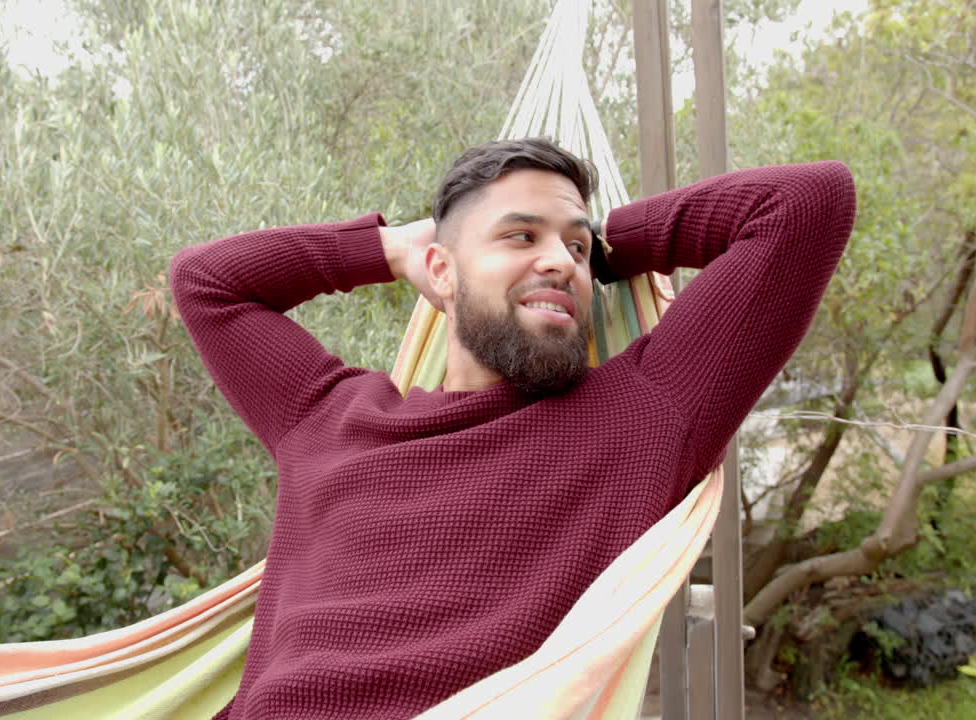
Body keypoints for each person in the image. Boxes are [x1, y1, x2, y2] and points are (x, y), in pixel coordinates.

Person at [170, 138, 855, 719]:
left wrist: (613, 245)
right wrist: (388, 249)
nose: (560, 260)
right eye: (520, 235)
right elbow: (206, 282)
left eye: (576, 249)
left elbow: (806, 204)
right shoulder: (329, 418)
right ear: (441, 271)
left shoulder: (641, 416)